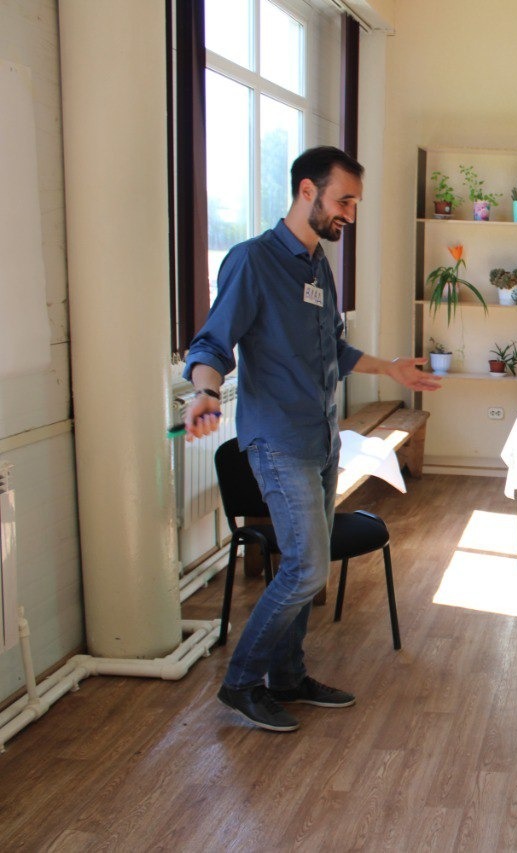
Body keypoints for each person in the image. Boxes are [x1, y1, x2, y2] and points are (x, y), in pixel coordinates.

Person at [184, 146, 442, 733]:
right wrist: (203, 392)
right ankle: (241, 682)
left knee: (309, 563)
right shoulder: (252, 262)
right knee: (305, 568)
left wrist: (390, 368)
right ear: (307, 191)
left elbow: (334, 350)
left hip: (323, 440)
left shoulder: (317, 263)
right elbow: (211, 344)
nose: (349, 213)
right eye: (343, 200)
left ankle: (287, 676)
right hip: (278, 442)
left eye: (354, 203)